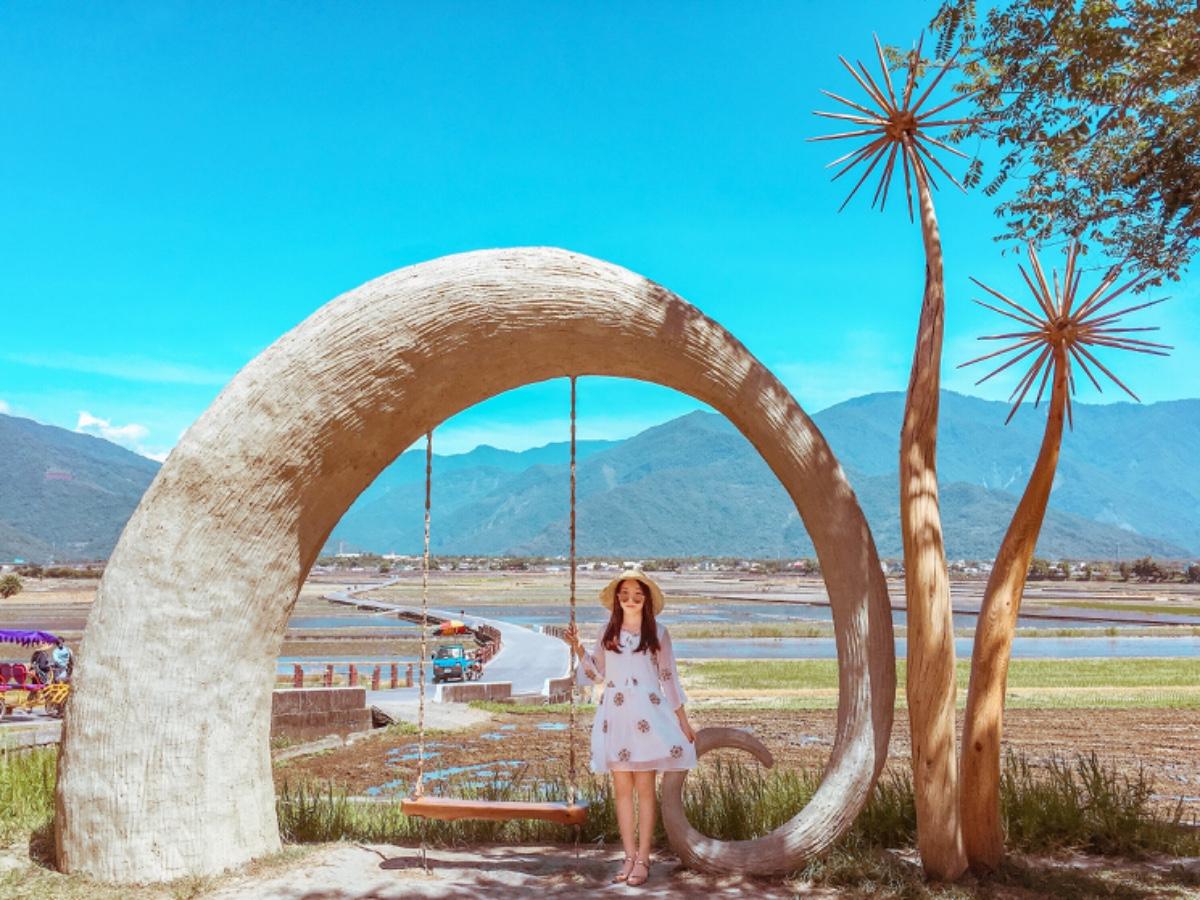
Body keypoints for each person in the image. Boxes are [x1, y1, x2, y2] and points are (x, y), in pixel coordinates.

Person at [564, 570, 696, 887]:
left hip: (648, 716)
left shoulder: (659, 633)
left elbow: (668, 678)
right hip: (616, 716)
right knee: (622, 790)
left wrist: (682, 720)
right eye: (624, 593)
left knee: (645, 790)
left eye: (637, 593)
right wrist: (579, 649)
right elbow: (598, 675)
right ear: (617, 598)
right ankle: (628, 856)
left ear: (646, 598)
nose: (630, 598)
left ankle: (643, 858)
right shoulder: (607, 631)